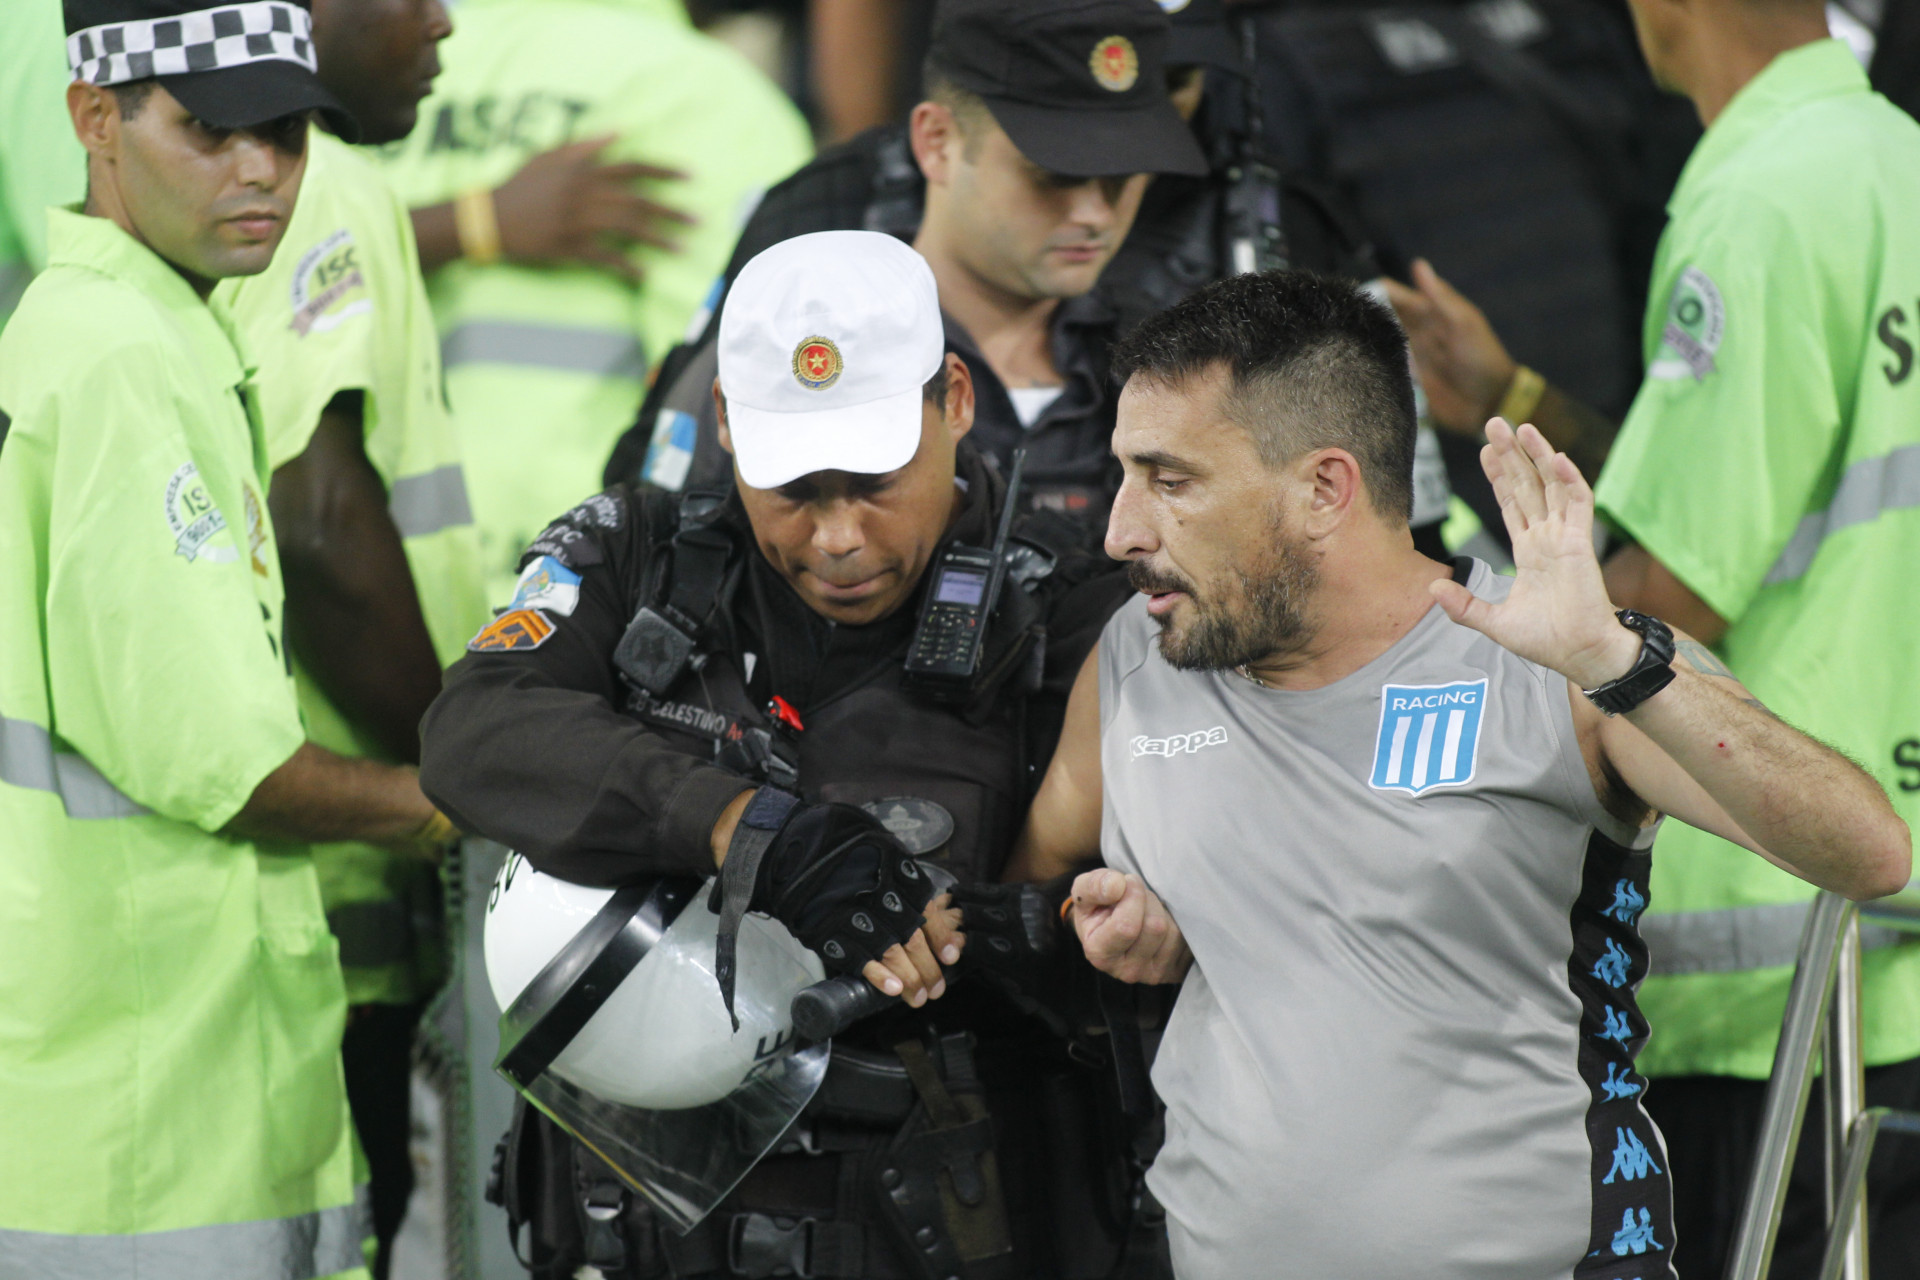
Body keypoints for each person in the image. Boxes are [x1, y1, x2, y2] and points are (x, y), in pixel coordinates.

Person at [1009, 270, 1912, 1280]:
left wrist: (1619, 661)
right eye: (1126, 474)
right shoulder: (1137, 659)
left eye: (1171, 481)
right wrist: (1105, 927)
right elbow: (1028, 901)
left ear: (1323, 489)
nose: (1120, 531)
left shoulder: (1561, 663)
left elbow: (1868, 851)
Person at [419, 231, 1152, 1280]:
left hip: (934, 1226)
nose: (838, 536)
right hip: (630, 1239)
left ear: (954, 400)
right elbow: (472, 732)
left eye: (874, 480)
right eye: (795, 488)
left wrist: (983, 927)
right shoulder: (636, 555)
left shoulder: (1080, 624)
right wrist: (748, 828)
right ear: (725, 422)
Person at [1384, 1, 1920, 1271]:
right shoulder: (1889, 155)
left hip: (1781, 952)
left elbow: (1668, 592)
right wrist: (1517, 400)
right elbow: (1782, 475)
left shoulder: (1759, 202)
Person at [0, 0, 453, 1272]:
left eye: (290, 131)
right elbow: (233, 764)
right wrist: (457, 802)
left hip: (155, 1086)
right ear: (98, 118)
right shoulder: (118, 360)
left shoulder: (154, 334)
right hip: (145, 1133)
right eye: (212, 129)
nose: (262, 170)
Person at [209, 0, 490, 1272]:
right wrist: (469, 778)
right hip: (320, 884)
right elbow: (315, 520)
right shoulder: (311, 179)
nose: (442, 22)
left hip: (313, 886)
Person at [616, 0, 1213, 536]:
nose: (1094, 213)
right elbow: (662, 555)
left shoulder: (1158, 359)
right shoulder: (802, 331)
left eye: (1126, 176)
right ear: (937, 142)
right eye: (1054, 175)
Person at [368, 0, 813, 600]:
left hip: (365, 578)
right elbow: (757, 396)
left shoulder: (374, 64)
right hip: (594, 584)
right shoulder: (709, 97)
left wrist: (470, 223)